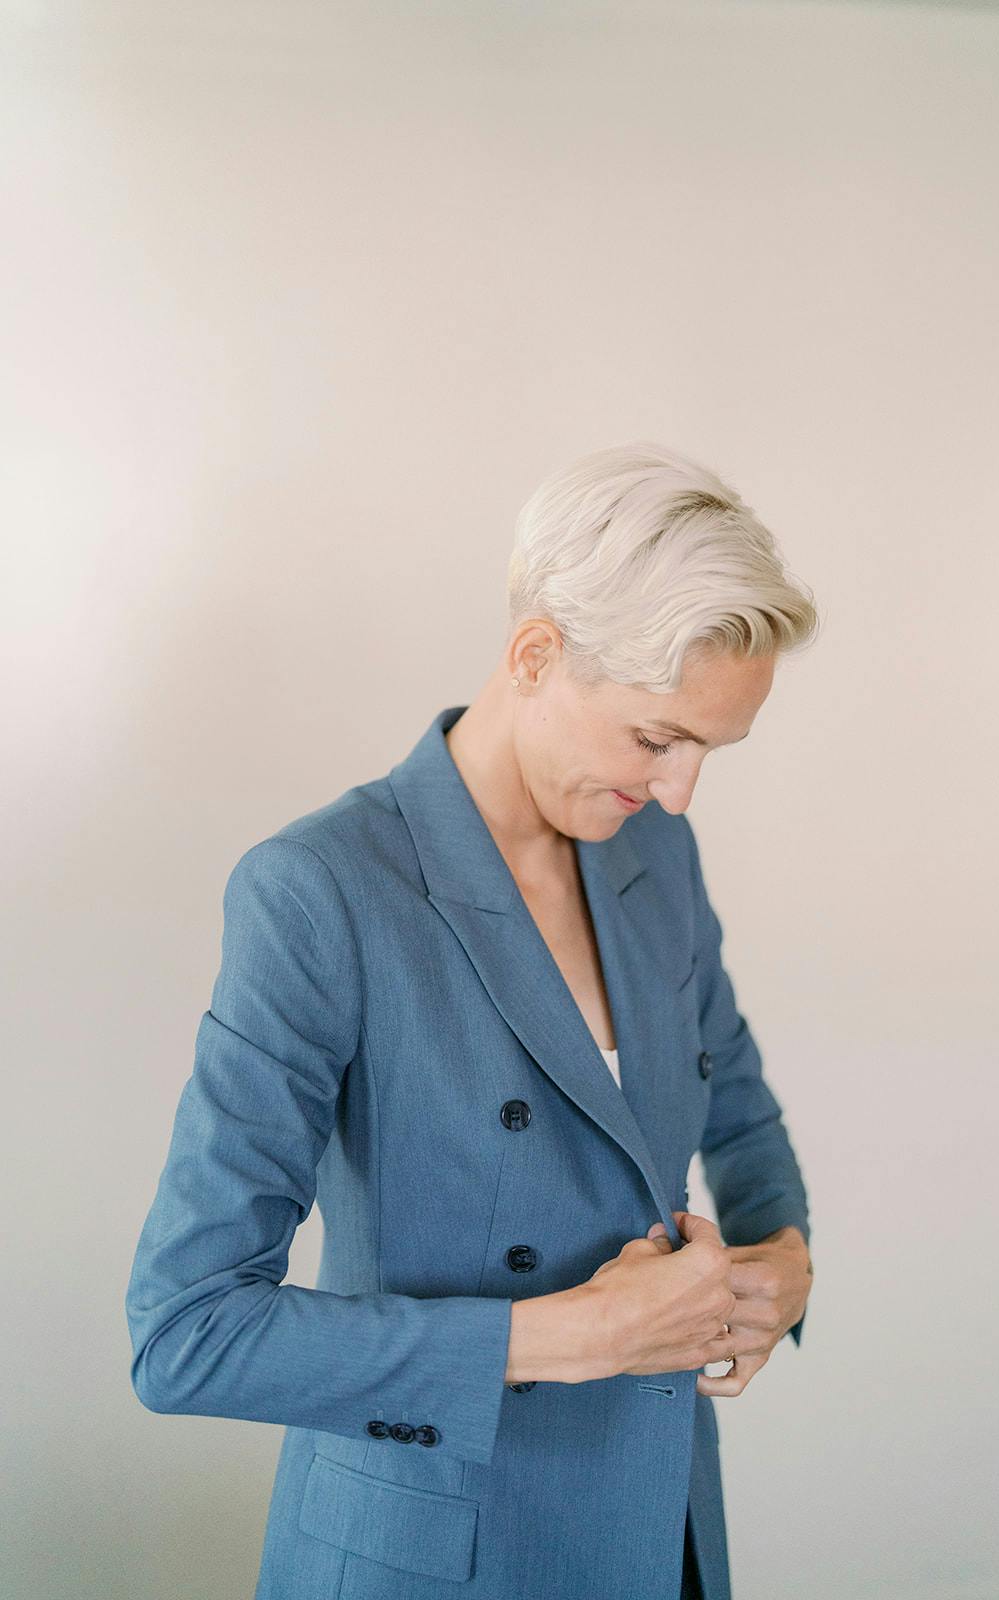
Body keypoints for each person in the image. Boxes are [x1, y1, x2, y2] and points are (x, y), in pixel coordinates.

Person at [126, 440, 817, 1600]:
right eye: (656, 737)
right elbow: (187, 1331)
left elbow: (737, 1111)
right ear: (535, 654)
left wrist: (781, 1263)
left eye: (708, 748)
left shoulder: (654, 853)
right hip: (437, 1559)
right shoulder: (323, 889)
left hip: (663, 1537)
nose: (681, 789)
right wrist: (576, 1337)